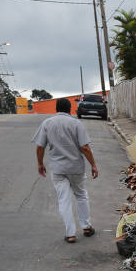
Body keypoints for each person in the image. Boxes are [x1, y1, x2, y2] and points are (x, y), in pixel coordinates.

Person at [33, 98, 99, 243]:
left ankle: (70, 234)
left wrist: (40, 164)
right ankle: (86, 227)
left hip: (58, 169)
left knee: (64, 200)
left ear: (56, 108)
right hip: (76, 168)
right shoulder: (76, 124)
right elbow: (85, 147)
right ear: (70, 109)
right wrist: (93, 164)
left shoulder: (47, 123)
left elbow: (39, 147)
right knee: (81, 195)